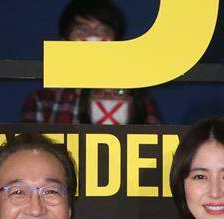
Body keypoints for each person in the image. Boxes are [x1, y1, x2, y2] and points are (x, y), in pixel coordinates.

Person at [21, 0, 158, 125]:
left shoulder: (136, 98)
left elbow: (154, 140)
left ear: (117, 41)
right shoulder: (42, 101)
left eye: (103, 30)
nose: (93, 36)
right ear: (64, 40)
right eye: (82, 30)